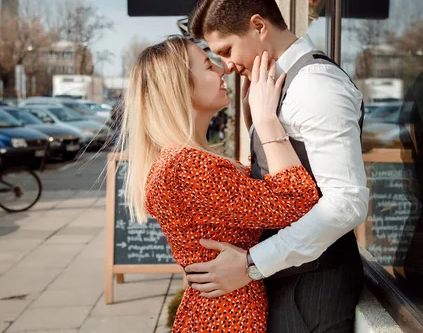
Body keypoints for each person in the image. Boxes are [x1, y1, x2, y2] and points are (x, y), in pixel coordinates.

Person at [184, 0, 369, 332]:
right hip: (288, 282)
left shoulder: (315, 87)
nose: (226, 65)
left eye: (226, 50)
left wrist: (252, 263)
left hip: (312, 291)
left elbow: (347, 202)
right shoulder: (271, 84)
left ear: (258, 26)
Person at [120, 36, 321, 332]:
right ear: (182, 87)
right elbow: (298, 201)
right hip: (227, 318)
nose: (222, 70)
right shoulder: (186, 167)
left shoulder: (179, 162)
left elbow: (242, 196)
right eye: (207, 65)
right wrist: (266, 121)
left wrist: (252, 121)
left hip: (219, 312)